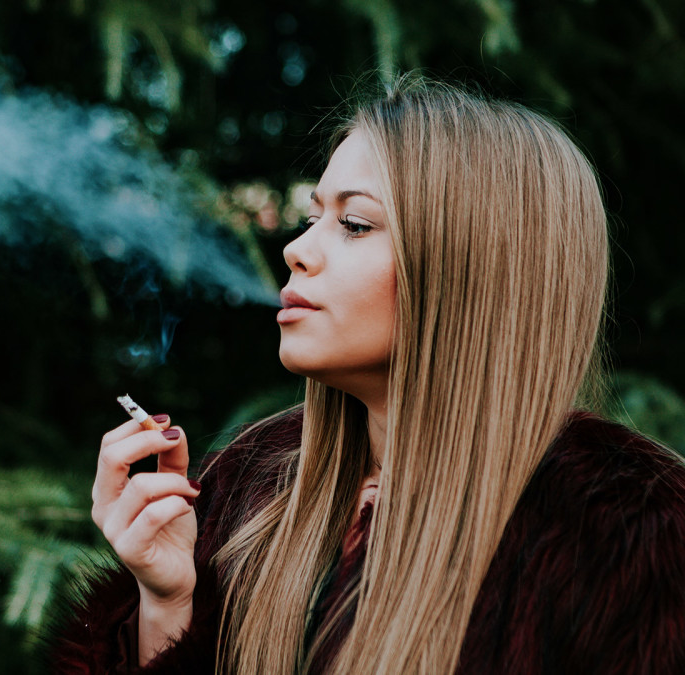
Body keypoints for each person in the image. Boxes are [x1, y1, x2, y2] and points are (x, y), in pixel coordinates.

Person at [49, 75, 685, 674]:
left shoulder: (632, 542)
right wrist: (167, 604)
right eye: (312, 218)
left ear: (474, 267)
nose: (296, 249)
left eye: (354, 224)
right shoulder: (244, 494)